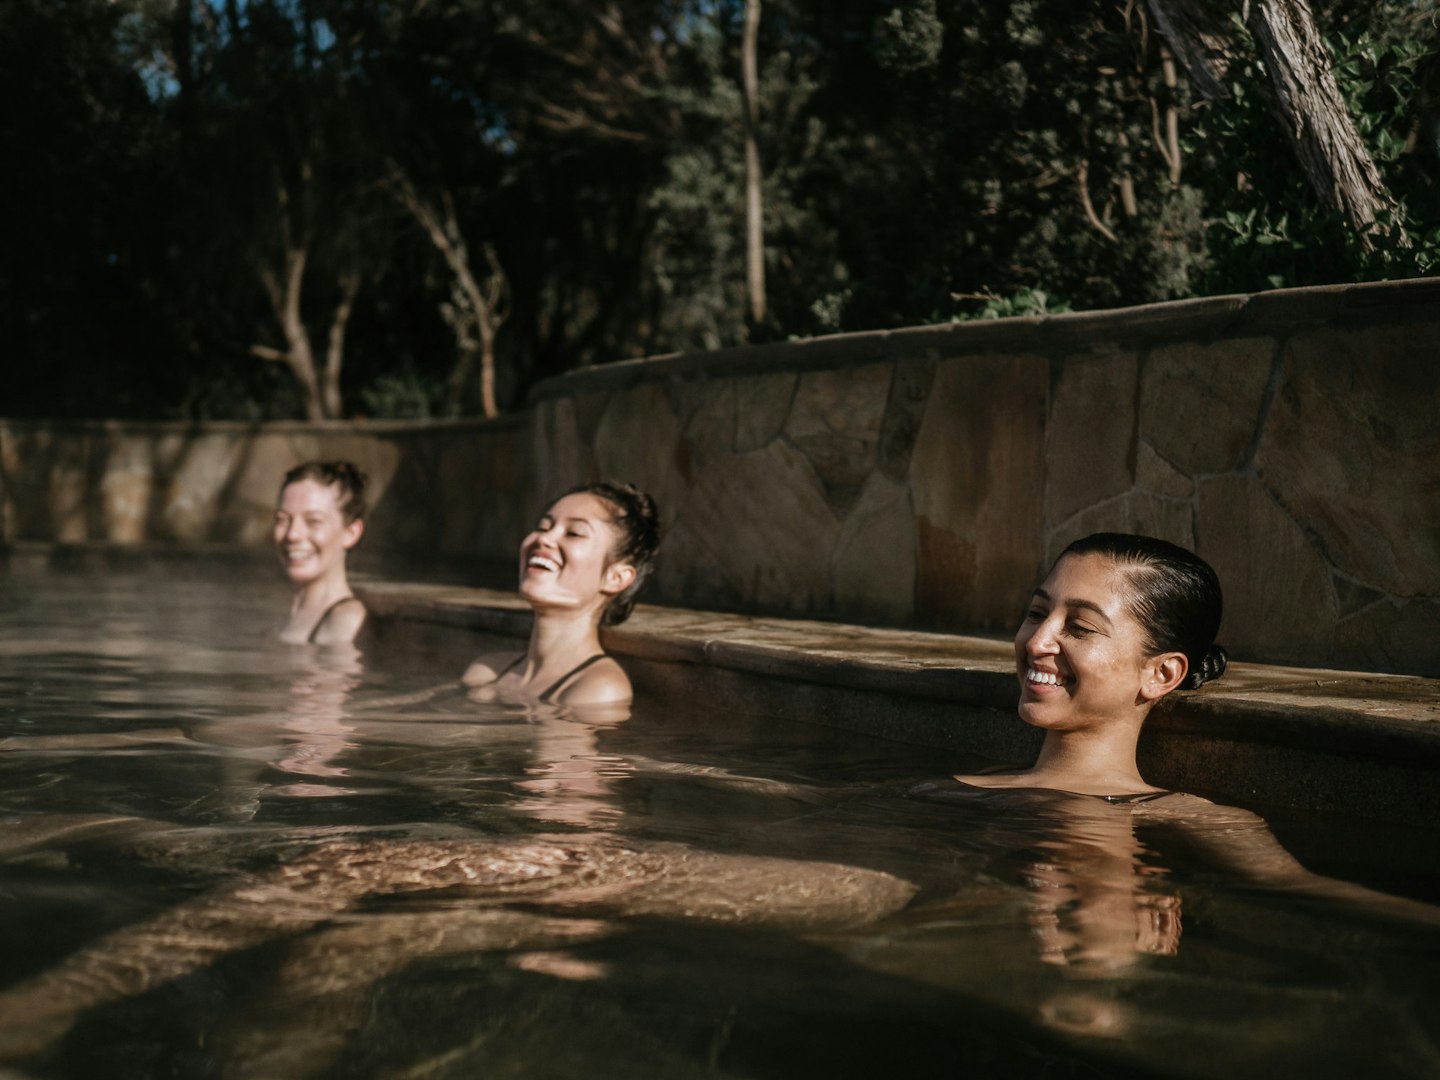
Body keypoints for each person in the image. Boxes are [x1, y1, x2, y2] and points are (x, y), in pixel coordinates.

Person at [955, 532, 1226, 798]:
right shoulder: (949, 790)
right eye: (1037, 613)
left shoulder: (1202, 822)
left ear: (1161, 674)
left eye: (1079, 627)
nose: (1036, 643)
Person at [463, 481, 660, 707]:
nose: (543, 539)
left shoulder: (598, 689)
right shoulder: (485, 672)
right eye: (543, 527)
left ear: (616, 578)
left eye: (574, 533)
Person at [274, 461, 368, 646]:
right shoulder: (284, 609)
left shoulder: (343, 620)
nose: (292, 534)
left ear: (351, 533)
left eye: (313, 521)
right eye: (283, 520)